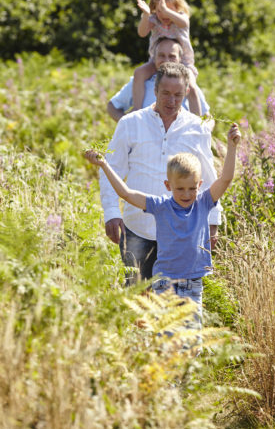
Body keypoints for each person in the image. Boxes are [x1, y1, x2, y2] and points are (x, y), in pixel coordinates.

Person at [84, 122, 241, 324]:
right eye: (180, 188)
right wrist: (105, 164)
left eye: (192, 188)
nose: (186, 194)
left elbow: (226, 179)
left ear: (200, 185)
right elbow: (126, 193)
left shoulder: (203, 202)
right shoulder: (160, 206)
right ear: (168, 186)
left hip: (193, 283)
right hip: (164, 282)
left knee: (191, 340)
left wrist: (232, 146)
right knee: (167, 336)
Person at [100, 61, 222, 283]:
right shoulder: (130, 123)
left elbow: (209, 177)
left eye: (177, 94)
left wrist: (212, 223)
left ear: (186, 93)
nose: (171, 100)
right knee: (138, 299)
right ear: (154, 90)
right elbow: (111, 168)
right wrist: (111, 212)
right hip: (137, 228)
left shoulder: (197, 127)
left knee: (175, 303)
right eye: (165, 93)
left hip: (182, 233)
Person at [107, 37, 207, 122]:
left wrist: (201, 132)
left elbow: (207, 117)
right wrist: (128, 125)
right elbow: (112, 106)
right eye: (161, 55)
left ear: (180, 59)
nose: (166, 61)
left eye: (172, 56)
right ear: (154, 58)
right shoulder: (140, 82)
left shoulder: (187, 84)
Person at [133, 0, 197, 111]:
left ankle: (199, 119)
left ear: (177, 8)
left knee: (192, 86)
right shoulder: (154, 19)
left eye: (169, 10)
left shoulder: (181, 17)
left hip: (182, 63)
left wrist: (166, 11)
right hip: (158, 61)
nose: (164, 15)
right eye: (160, 10)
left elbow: (184, 23)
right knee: (139, 73)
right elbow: (142, 32)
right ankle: (137, 109)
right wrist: (146, 15)